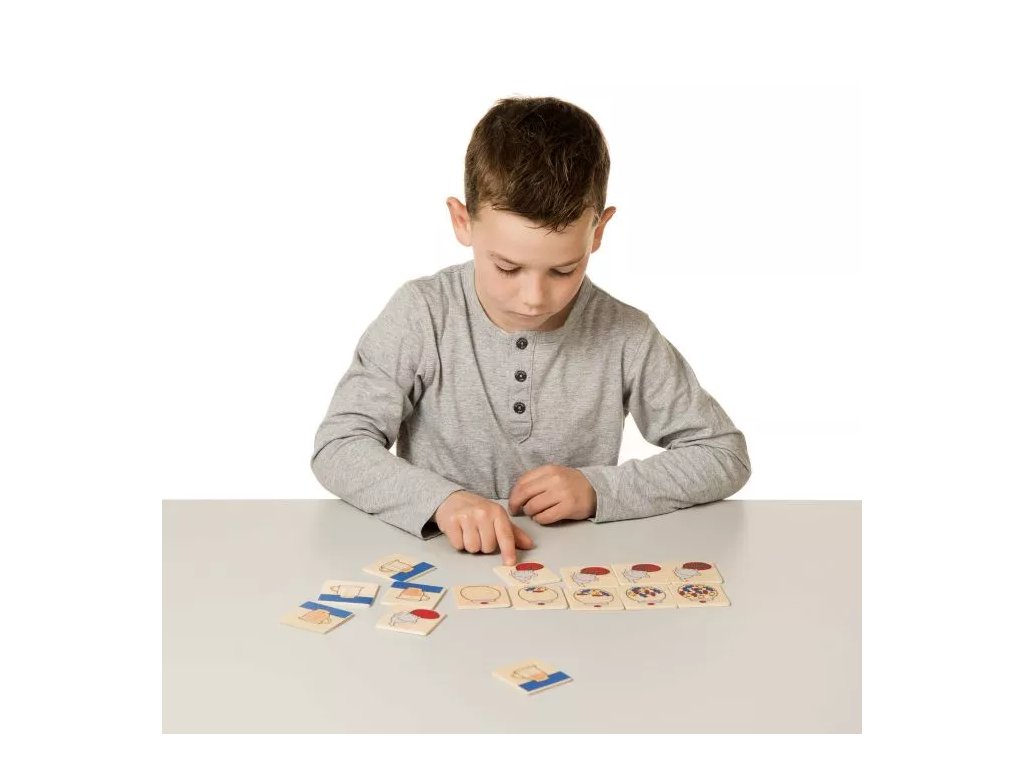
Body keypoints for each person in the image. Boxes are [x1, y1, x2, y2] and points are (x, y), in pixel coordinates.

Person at [311, 96, 751, 566]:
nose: (534, 298)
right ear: (462, 222)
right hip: (435, 566)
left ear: (598, 232)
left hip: (572, 575)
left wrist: (598, 490)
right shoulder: (422, 313)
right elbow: (339, 446)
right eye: (507, 267)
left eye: (563, 270)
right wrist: (442, 502)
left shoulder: (626, 335)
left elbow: (723, 454)